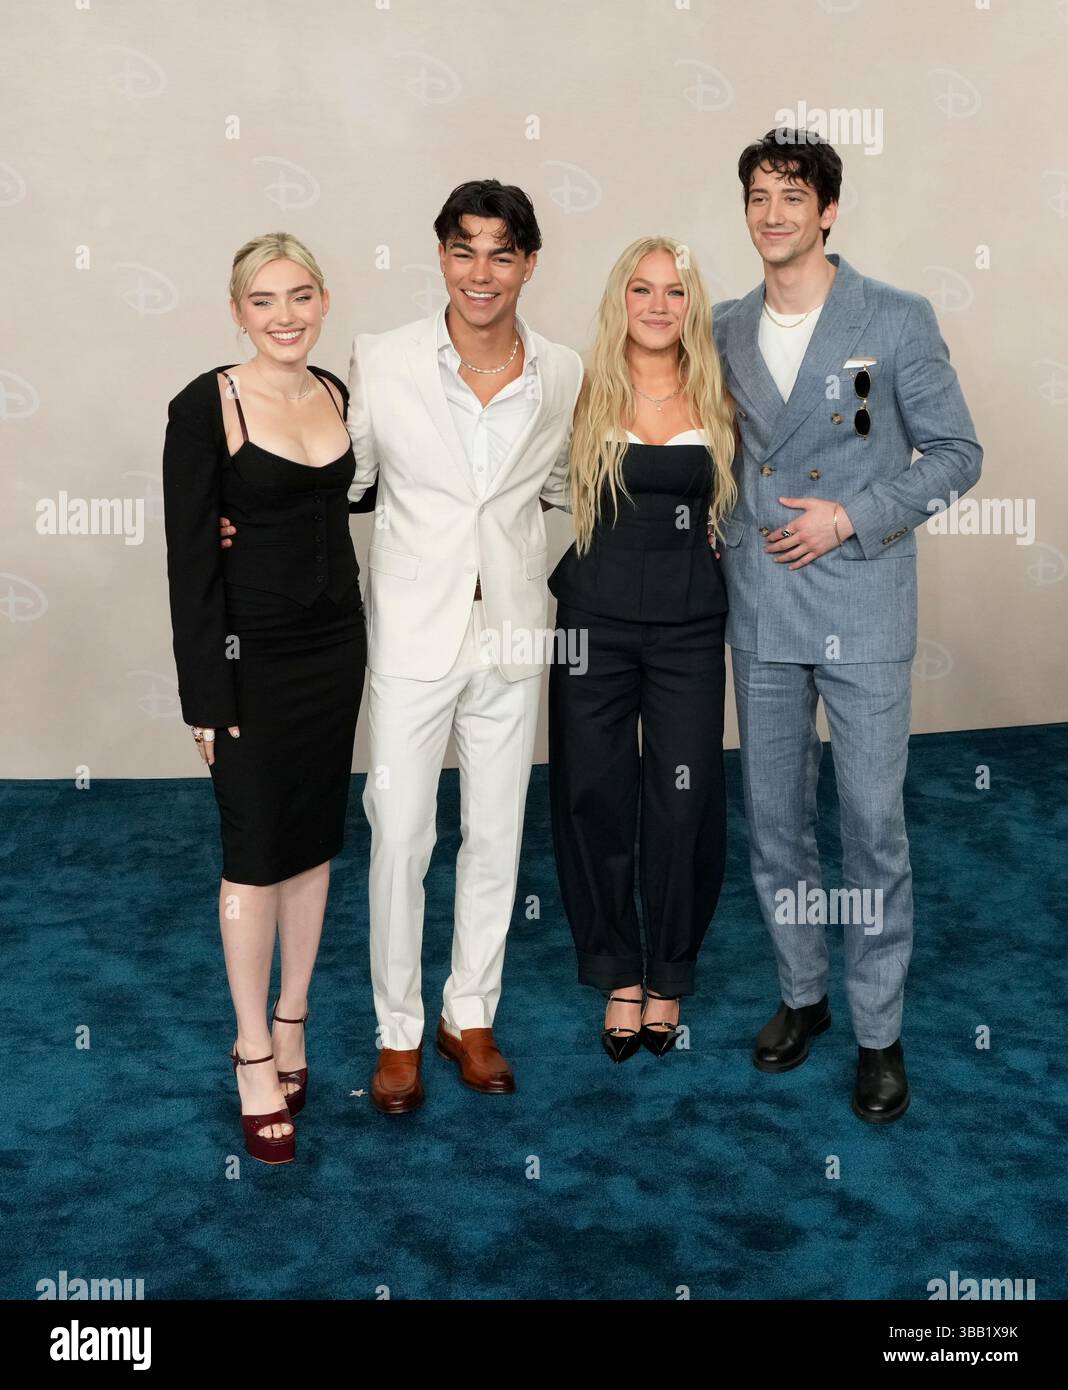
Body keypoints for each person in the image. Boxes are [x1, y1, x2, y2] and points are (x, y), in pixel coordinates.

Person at [712, 128, 982, 1121]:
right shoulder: (724, 328)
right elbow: (701, 453)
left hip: (863, 599)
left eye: (792, 194)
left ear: (828, 210)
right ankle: (802, 994)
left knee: (871, 825)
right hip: (765, 604)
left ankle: (879, 1030)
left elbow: (956, 454)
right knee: (777, 821)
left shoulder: (896, 318)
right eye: (758, 196)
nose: (773, 212)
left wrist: (851, 516)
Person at [346, 181, 580, 1112]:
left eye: (501, 253)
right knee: (401, 835)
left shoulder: (562, 370)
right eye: (464, 250)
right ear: (441, 256)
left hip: (515, 632)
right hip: (412, 631)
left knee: (496, 833)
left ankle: (467, 1013)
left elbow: (567, 484)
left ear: (528, 264)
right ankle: (397, 1029)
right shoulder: (383, 358)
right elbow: (346, 477)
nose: (481, 272)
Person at [163, 232, 376, 1163]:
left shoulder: (334, 391)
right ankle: (252, 1051)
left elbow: (350, 500)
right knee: (253, 853)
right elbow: (187, 564)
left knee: (313, 842)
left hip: (336, 650)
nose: (284, 316)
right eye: (264, 301)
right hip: (249, 660)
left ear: (324, 301)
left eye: (300, 297)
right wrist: (205, 701)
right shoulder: (205, 403)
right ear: (237, 310)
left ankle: (294, 1022)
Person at [547, 237, 736, 1062]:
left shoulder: (723, 393)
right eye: (642, 289)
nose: (658, 305)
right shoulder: (577, 389)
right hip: (595, 618)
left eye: (675, 292)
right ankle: (616, 970)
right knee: (591, 789)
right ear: (618, 299)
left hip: (691, 623)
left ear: (692, 305)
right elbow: (502, 478)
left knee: (683, 797)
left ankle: (670, 971)